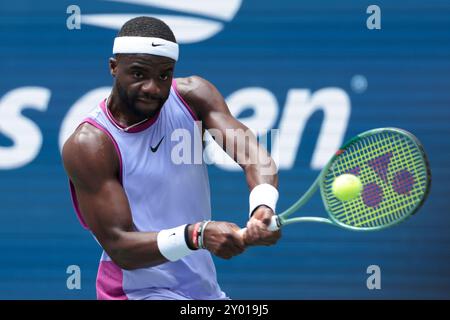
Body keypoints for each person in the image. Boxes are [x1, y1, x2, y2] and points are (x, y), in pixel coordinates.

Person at [62, 16, 281, 300]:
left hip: (203, 292)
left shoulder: (194, 97)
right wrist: (197, 235)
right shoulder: (90, 144)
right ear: (114, 67)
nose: (153, 87)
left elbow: (255, 158)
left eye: (164, 75)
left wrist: (262, 207)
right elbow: (120, 246)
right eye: (139, 74)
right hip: (136, 292)